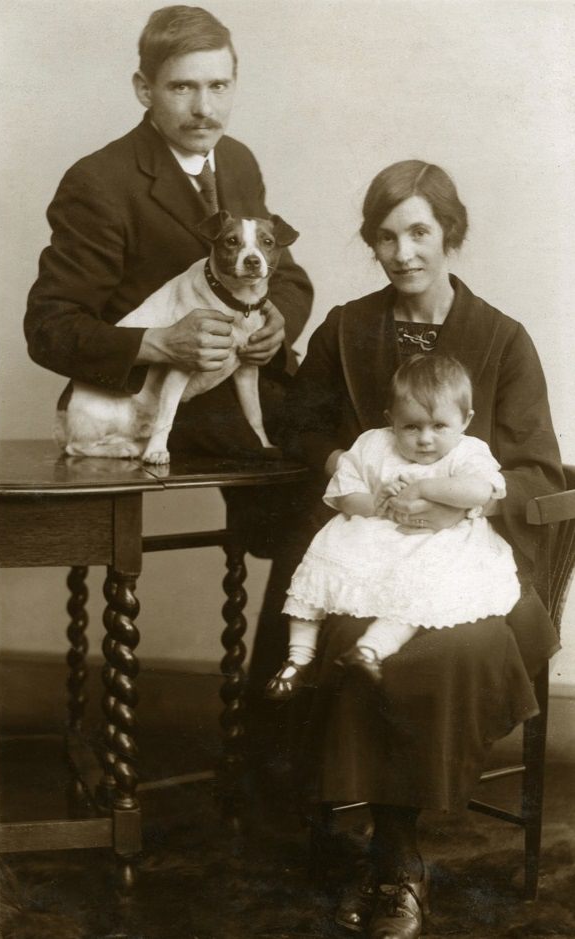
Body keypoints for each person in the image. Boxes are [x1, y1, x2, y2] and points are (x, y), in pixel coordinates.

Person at [251, 160, 564, 938]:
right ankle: (341, 822)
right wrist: (351, 468)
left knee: (418, 654)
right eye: (384, 236)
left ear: (447, 233)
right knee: (340, 625)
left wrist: (460, 498)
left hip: (470, 565)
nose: (402, 252)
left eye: (419, 231)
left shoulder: (501, 339)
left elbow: (534, 467)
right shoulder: (347, 328)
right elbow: (300, 425)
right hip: (368, 549)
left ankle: (396, 858)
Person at [24, 5, 312, 463]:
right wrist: (159, 342)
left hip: (244, 373)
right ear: (145, 89)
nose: (204, 109)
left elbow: (289, 280)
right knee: (290, 460)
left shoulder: (237, 159)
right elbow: (48, 328)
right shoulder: (99, 181)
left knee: (343, 434)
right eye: (182, 87)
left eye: (218, 86)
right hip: (152, 395)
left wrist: (278, 325)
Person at [265, 354, 521, 700]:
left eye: (439, 426)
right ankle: (297, 657)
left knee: (421, 586)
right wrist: (379, 503)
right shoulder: (373, 444)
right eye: (411, 426)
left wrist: (425, 488)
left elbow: (480, 490)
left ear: (465, 419)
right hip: (374, 533)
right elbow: (345, 495)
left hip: (434, 540)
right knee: (320, 571)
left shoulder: (468, 452)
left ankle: (370, 648)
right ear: (391, 420)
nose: (425, 439)